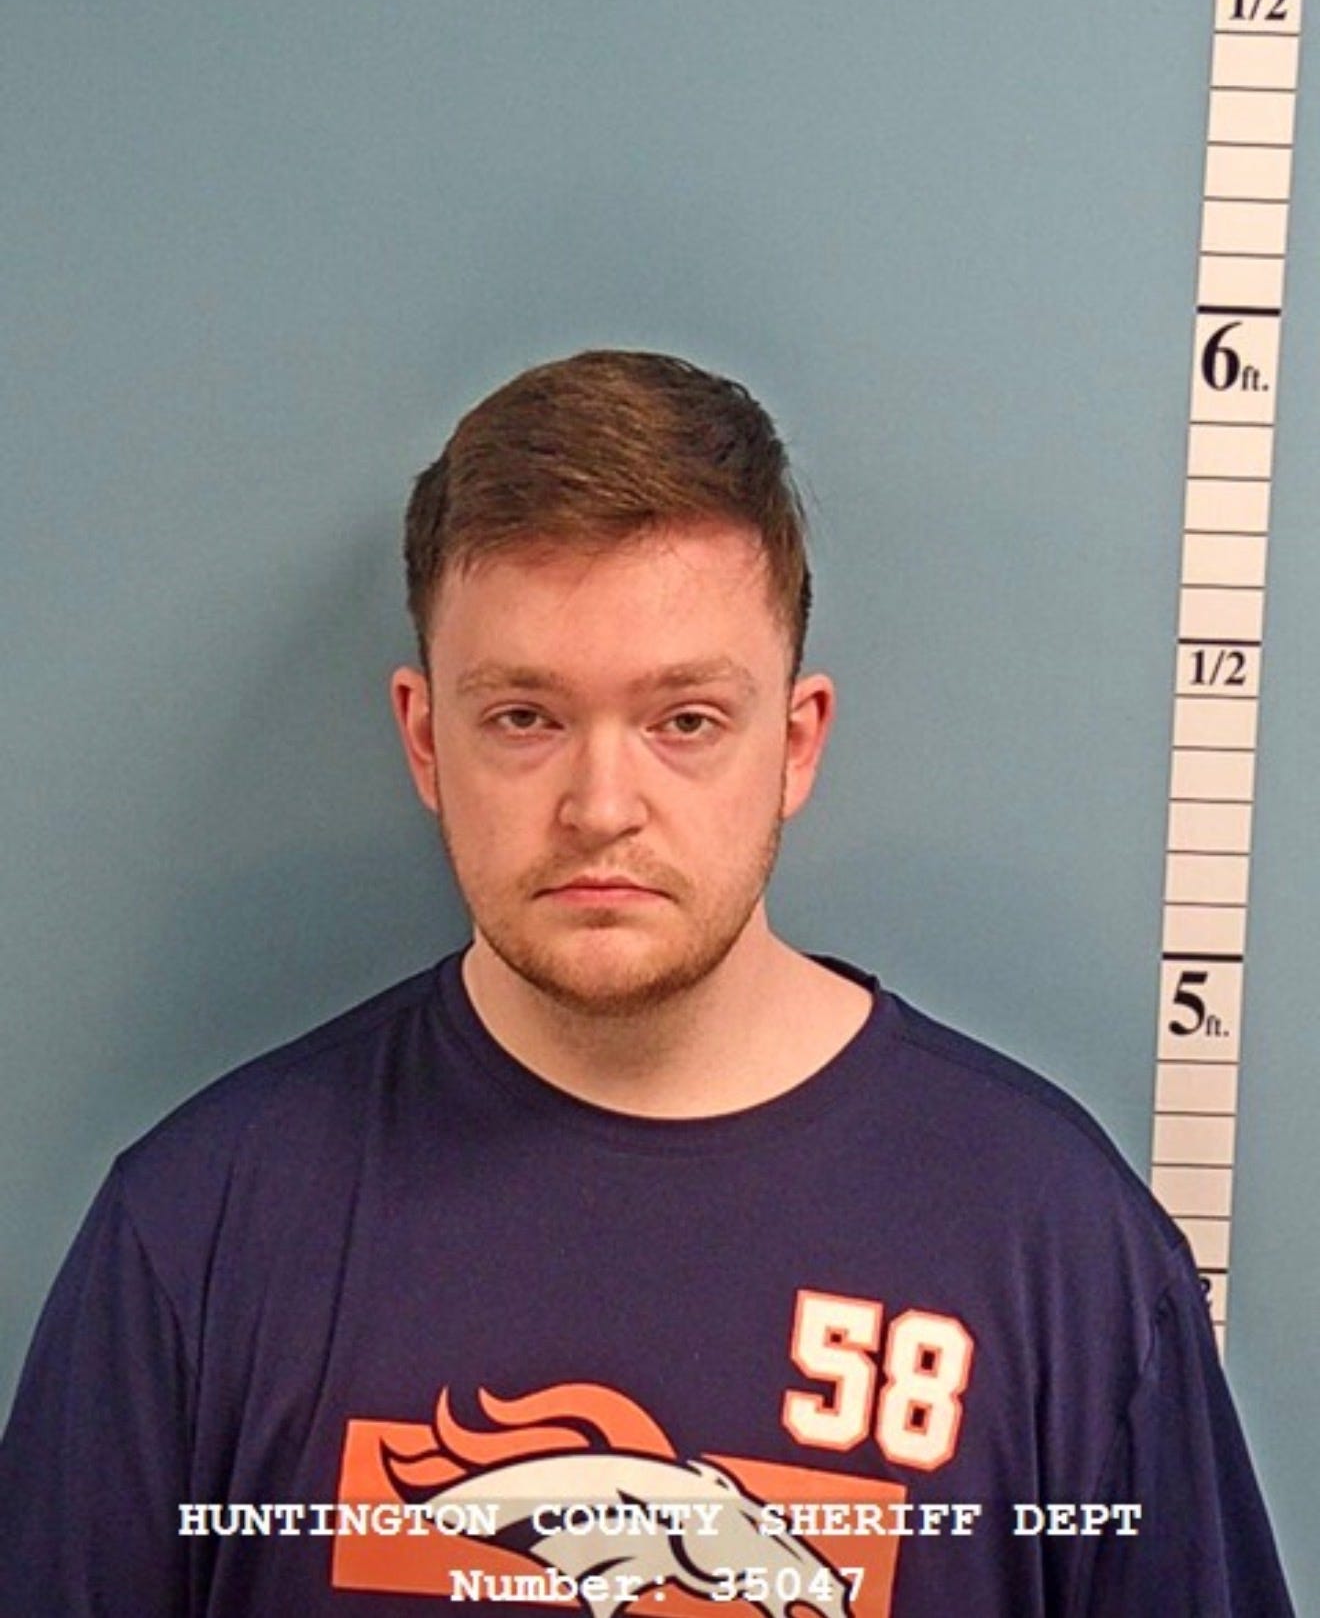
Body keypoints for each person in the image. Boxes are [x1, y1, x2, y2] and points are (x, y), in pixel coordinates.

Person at [0, 350, 1294, 1617]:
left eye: (685, 720)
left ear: (795, 744)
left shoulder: (1054, 1248)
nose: (602, 806)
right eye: (525, 717)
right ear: (426, 739)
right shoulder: (201, 1232)